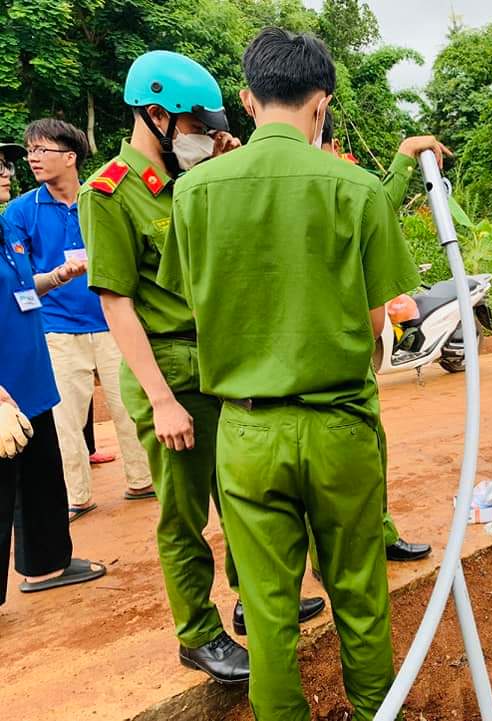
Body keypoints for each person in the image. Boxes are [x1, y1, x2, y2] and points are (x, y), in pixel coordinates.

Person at [156, 28, 421, 721]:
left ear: (247, 99)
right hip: (338, 426)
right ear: (322, 101)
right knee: (359, 591)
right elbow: (377, 320)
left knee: (268, 607)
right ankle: (374, 713)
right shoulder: (359, 189)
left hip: (244, 430)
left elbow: (192, 300)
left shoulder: (195, 192)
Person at [79, 50, 324, 684]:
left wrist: (219, 164)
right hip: (167, 369)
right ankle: (197, 633)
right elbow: (116, 302)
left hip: (221, 361)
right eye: (193, 125)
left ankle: (256, 598)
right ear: (156, 116)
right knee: (184, 511)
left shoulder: (199, 177)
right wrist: (160, 399)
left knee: (242, 490)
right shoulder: (109, 190)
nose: (204, 136)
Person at [4, 119, 153, 522]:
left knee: (131, 409)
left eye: (42, 150)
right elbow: (19, 278)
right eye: (30, 151)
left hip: (112, 323)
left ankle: (143, 480)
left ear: (70, 157)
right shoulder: (20, 212)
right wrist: (57, 277)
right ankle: (77, 495)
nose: (33, 158)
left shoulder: (101, 198)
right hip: (57, 329)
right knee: (65, 420)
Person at [315, 110, 442, 563]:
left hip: (351, 343)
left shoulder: (340, 180)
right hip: (320, 345)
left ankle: (380, 532)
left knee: (369, 446)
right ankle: (331, 553)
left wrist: (405, 156)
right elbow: (377, 200)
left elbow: (374, 201)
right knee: (324, 462)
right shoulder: (303, 187)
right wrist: (405, 155)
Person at [1, 141, 105, 607]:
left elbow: (23, 287)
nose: (7, 171)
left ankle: (47, 565)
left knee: (41, 479)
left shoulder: (5, 229)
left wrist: (59, 276)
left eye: (5, 162)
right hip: (5, 395)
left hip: (31, 382)